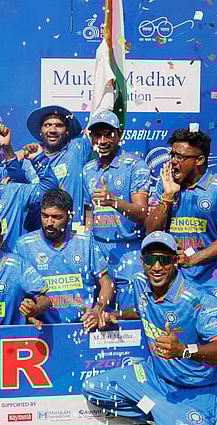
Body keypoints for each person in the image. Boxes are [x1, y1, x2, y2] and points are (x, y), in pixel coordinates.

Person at [82, 231, 217, 425]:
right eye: (151, 259)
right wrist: (114, 316)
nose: (157, 266)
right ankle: (163, 420)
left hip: (196, 391)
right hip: (156, 379)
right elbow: (141, 309)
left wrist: (184, 350)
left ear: (175, 261)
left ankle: (211, 424)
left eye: (164, 259)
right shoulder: (141, 283)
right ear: (142, 261)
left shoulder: (199, 299)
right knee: (93, 388)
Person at [145, 129, 217, 324]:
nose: (172, 161)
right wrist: (167, 197)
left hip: (212, 280)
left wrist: (193, 258)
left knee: (213, 341)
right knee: (179, 339)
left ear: (199, 160)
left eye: (180, 157)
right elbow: (151, 232)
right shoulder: (164, 186)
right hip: (175, 280)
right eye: (172, 155)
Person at [80, 109, 151, 311]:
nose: (102, 140)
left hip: (129, 249)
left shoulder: (135, 165)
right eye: (97, 134)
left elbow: (142, 213)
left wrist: (113, 201)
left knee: (130, 315)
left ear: (119, 135)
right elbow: (88, 213)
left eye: (108, 134)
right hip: (98, 250)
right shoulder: (88, 170)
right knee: (98, 314)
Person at [15, 189, 113, 326]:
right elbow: (16, 291)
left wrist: (98, 309)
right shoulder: (24, 245)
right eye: (45, 216)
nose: (49, 223)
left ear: (70, 216)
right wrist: (28, 314)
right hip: (43, 328)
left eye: (56, 217)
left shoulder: (85, 240)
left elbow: (107, 284)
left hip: (82, 325)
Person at [22, 105, 93, 227]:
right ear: (40, 131)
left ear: (67, 131)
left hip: (72, 233)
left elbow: (100, 123)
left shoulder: (77, 149)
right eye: (47, 125)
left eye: (59, 125)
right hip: (38, 234)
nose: (53, 130)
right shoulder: (28, 160)